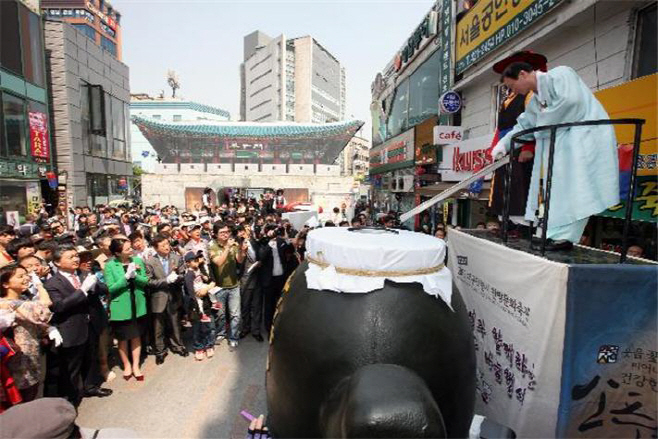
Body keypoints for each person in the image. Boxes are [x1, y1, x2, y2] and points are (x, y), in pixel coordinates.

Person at [491, 61, 619, 251]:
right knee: (559, 190)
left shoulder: (561, 74)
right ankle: (553, 234)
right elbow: (526, 125)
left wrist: (541, 125)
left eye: (512, 86)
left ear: (523, 74)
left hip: (586, 139)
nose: (514, 92)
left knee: (578, 189)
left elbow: (571, 102)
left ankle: (565, 237)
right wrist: (505, 143)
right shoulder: (537, 100)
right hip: (564, 146)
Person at [488, 51, 545, 230]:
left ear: (523, 73)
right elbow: (503, 127)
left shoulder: (531, 94)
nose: (511, 88)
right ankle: (506, 221)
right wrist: (497, 146)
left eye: (511, 83)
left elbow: (534, 122)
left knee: (520, 187)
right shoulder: (508, 98)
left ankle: (523, 223)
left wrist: (529, 146)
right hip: (509, 144)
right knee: (503, 187)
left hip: (522, 145)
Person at [45, 246, 99, 406]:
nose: (76, 259)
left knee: (90, 359)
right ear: (57, 262)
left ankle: (90, 387)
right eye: (70, 257)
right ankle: (70, 401)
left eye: (76, 256)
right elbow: (60, 306)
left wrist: (94, 286)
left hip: (89, 324)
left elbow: (101, 289)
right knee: (71, 368)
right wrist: (83, 289)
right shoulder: (52, 283)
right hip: (70, 329)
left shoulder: (83, 274)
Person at [0, 264, 55, 403]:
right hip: (19, 362)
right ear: (5, 284)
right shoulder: (9, 303)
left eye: (26, 275)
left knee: (35, 393)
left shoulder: (22, 300)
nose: (26, 279)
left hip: (31, 356)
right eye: (20, 276)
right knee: (25, 398)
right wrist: (39, 285)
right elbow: (45, 305)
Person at [104, 239, 148, 381]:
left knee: (136, 336)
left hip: (137, 303)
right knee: (123, 338)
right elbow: (110, 288)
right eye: (127, 249)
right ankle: (126, 364)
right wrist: (125, 277)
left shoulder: (137, 260)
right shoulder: (110, 265)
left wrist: (135, 277)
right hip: (121, 305)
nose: (131, 251)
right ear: (117, 252)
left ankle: (136, 365)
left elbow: (145, 281)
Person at [144, 234, 187, 364]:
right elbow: (149, 281)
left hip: (173, 295)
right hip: (158, 297)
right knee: (159, 326)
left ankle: (178, 346)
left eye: (167, 244)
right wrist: (165, 281)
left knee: (175, 323)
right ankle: (160, 351)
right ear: (156, 248)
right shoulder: (150, 261)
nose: (166, 247)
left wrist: (177, 277)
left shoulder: (176, 258)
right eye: (162, 245)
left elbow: (182, 274)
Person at [208, 223, 246, 350]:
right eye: (222, 232)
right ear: (215, 234)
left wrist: (241, 250)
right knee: (220, 314)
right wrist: (227, 248)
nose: (225, 234)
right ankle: (221, 333)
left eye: (227, 232)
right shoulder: (212, 246)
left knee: (235, 315)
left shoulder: (233, 244)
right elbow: (218, 262)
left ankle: (234, 337)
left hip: (234, 285)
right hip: (219, 287)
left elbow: (239, 260)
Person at [183, 252, 216, 360]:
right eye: (193, 260)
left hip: (205, 301)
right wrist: (196, 305)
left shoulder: (200, 270)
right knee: (197, 328)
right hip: (195, 305)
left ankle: (209, 345)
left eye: (197, 260)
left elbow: (210, 281)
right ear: (187, 263)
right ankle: (199, 347)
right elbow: (191, 292)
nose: (196, 262)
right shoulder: (189, 274)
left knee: (207, 326)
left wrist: (206, 284)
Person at [238, 225, 264, 342]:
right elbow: (237, 263)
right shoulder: (236, 245)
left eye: (246, 230)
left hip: (257, 278)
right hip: (244, 280)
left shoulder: (254, 242)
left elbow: (260, 255)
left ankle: (256, 330)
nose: (244, 233)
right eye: (242, 231)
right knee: (245, 306)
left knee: (257, 306)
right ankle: (245, 328)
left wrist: (260, 262)